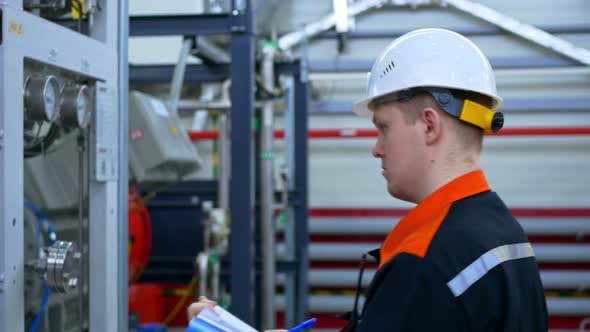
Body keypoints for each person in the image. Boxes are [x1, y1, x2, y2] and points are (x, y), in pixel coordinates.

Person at [339, 28, 548, 331]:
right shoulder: (506, 232)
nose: (377, 149)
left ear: (428, 126)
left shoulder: (422, 261)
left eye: (383, 128)